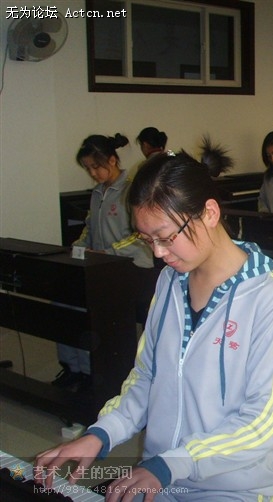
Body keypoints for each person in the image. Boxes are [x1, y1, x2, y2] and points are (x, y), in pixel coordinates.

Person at [35, 144, 273, 501]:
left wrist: (171, 465)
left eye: (166, 237)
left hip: (233, 487)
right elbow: (147, 377)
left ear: (209, 213)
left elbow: (264, 422)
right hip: (159, 476)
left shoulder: (268, 296)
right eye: (148, 240)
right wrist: (102, 434)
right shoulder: (170, 282)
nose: (158, 253)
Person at [52, 133, 154, 392]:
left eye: (96, 167)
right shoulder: (97, 193)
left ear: (112, 160)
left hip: (131, 268)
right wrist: (78, 248)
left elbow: (140, 235)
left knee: (94, 308)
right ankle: (73, 368)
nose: (93, 173)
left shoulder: (131, 190)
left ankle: (94, 372)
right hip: (101, 266)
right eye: (88, 168)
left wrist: (108, 252)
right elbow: (89, 228)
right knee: (63, 302)